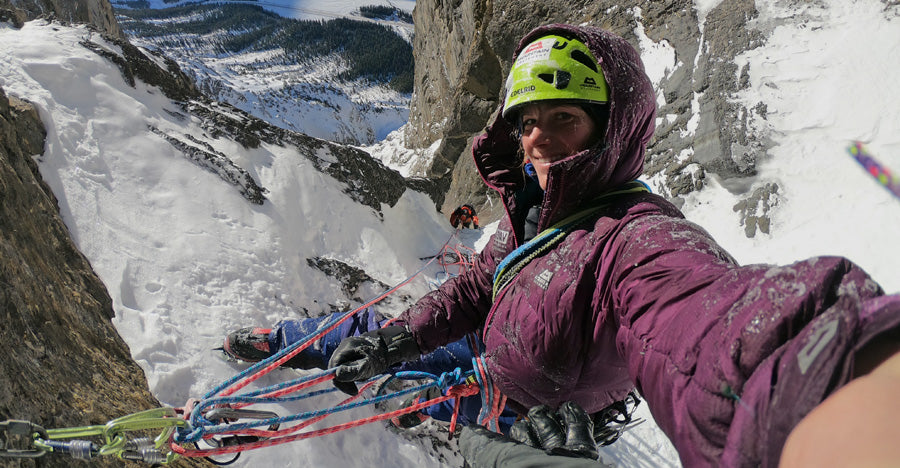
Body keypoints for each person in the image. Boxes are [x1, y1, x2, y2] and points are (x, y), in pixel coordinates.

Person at [324, 23, 900, 468]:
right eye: (527, 122)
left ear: (612, 129)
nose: (537, 140)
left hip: (534, 425)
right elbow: (477, 285)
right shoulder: (533, 209)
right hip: (485, 363)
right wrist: (393, 341)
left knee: (405, 391)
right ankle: (286, 342)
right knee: (358, 338)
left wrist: (842, 390)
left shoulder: (636, 239)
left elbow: (703, 324)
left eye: (565, 118)